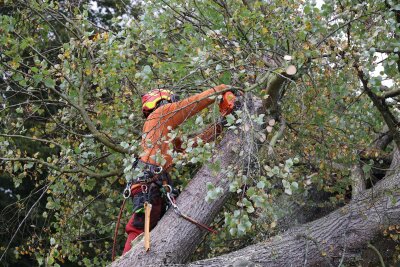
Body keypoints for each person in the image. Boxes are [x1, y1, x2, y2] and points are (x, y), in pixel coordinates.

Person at [123, 84, 236, 254]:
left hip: (157, 184)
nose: (172, 106)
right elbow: (190, 104)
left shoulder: (163, 133)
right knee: (139, 229)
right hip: (150, 183)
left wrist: (220, 125)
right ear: (163, 101)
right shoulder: (159, 115)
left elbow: (191, 145)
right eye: (171, 103)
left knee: (152, 236)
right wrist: (221, 89)